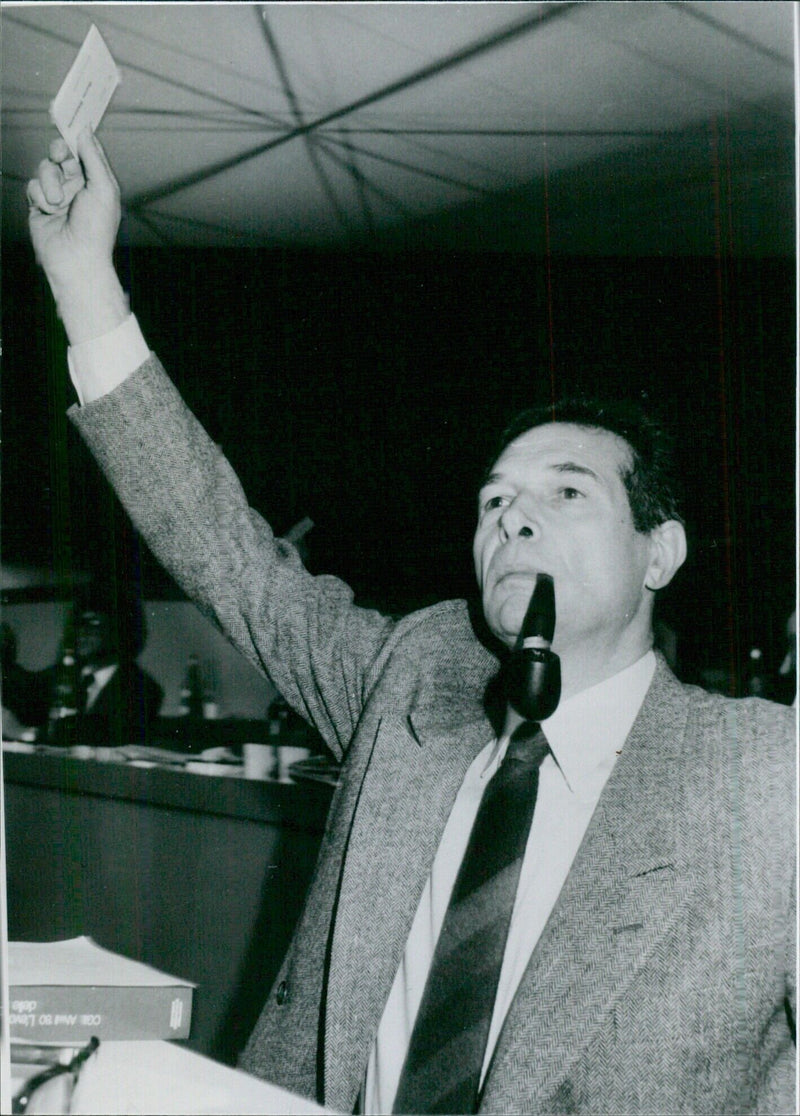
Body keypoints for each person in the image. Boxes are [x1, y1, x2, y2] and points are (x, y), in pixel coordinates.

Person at [26, 131, 795, 1115]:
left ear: (659, 552)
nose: (512, 515)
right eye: (492, 501)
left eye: (566, 492)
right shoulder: (417, 674)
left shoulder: (764, 778)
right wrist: (84, 278)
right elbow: (229, 554)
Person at [1, 592, 163, 745]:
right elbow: (22, 695)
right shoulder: (58, 675)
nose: (82, 632)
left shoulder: (143, 689)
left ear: (121, 631)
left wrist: (29, 734)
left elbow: (100, 736)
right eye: (79, 624)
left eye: (93, 623)